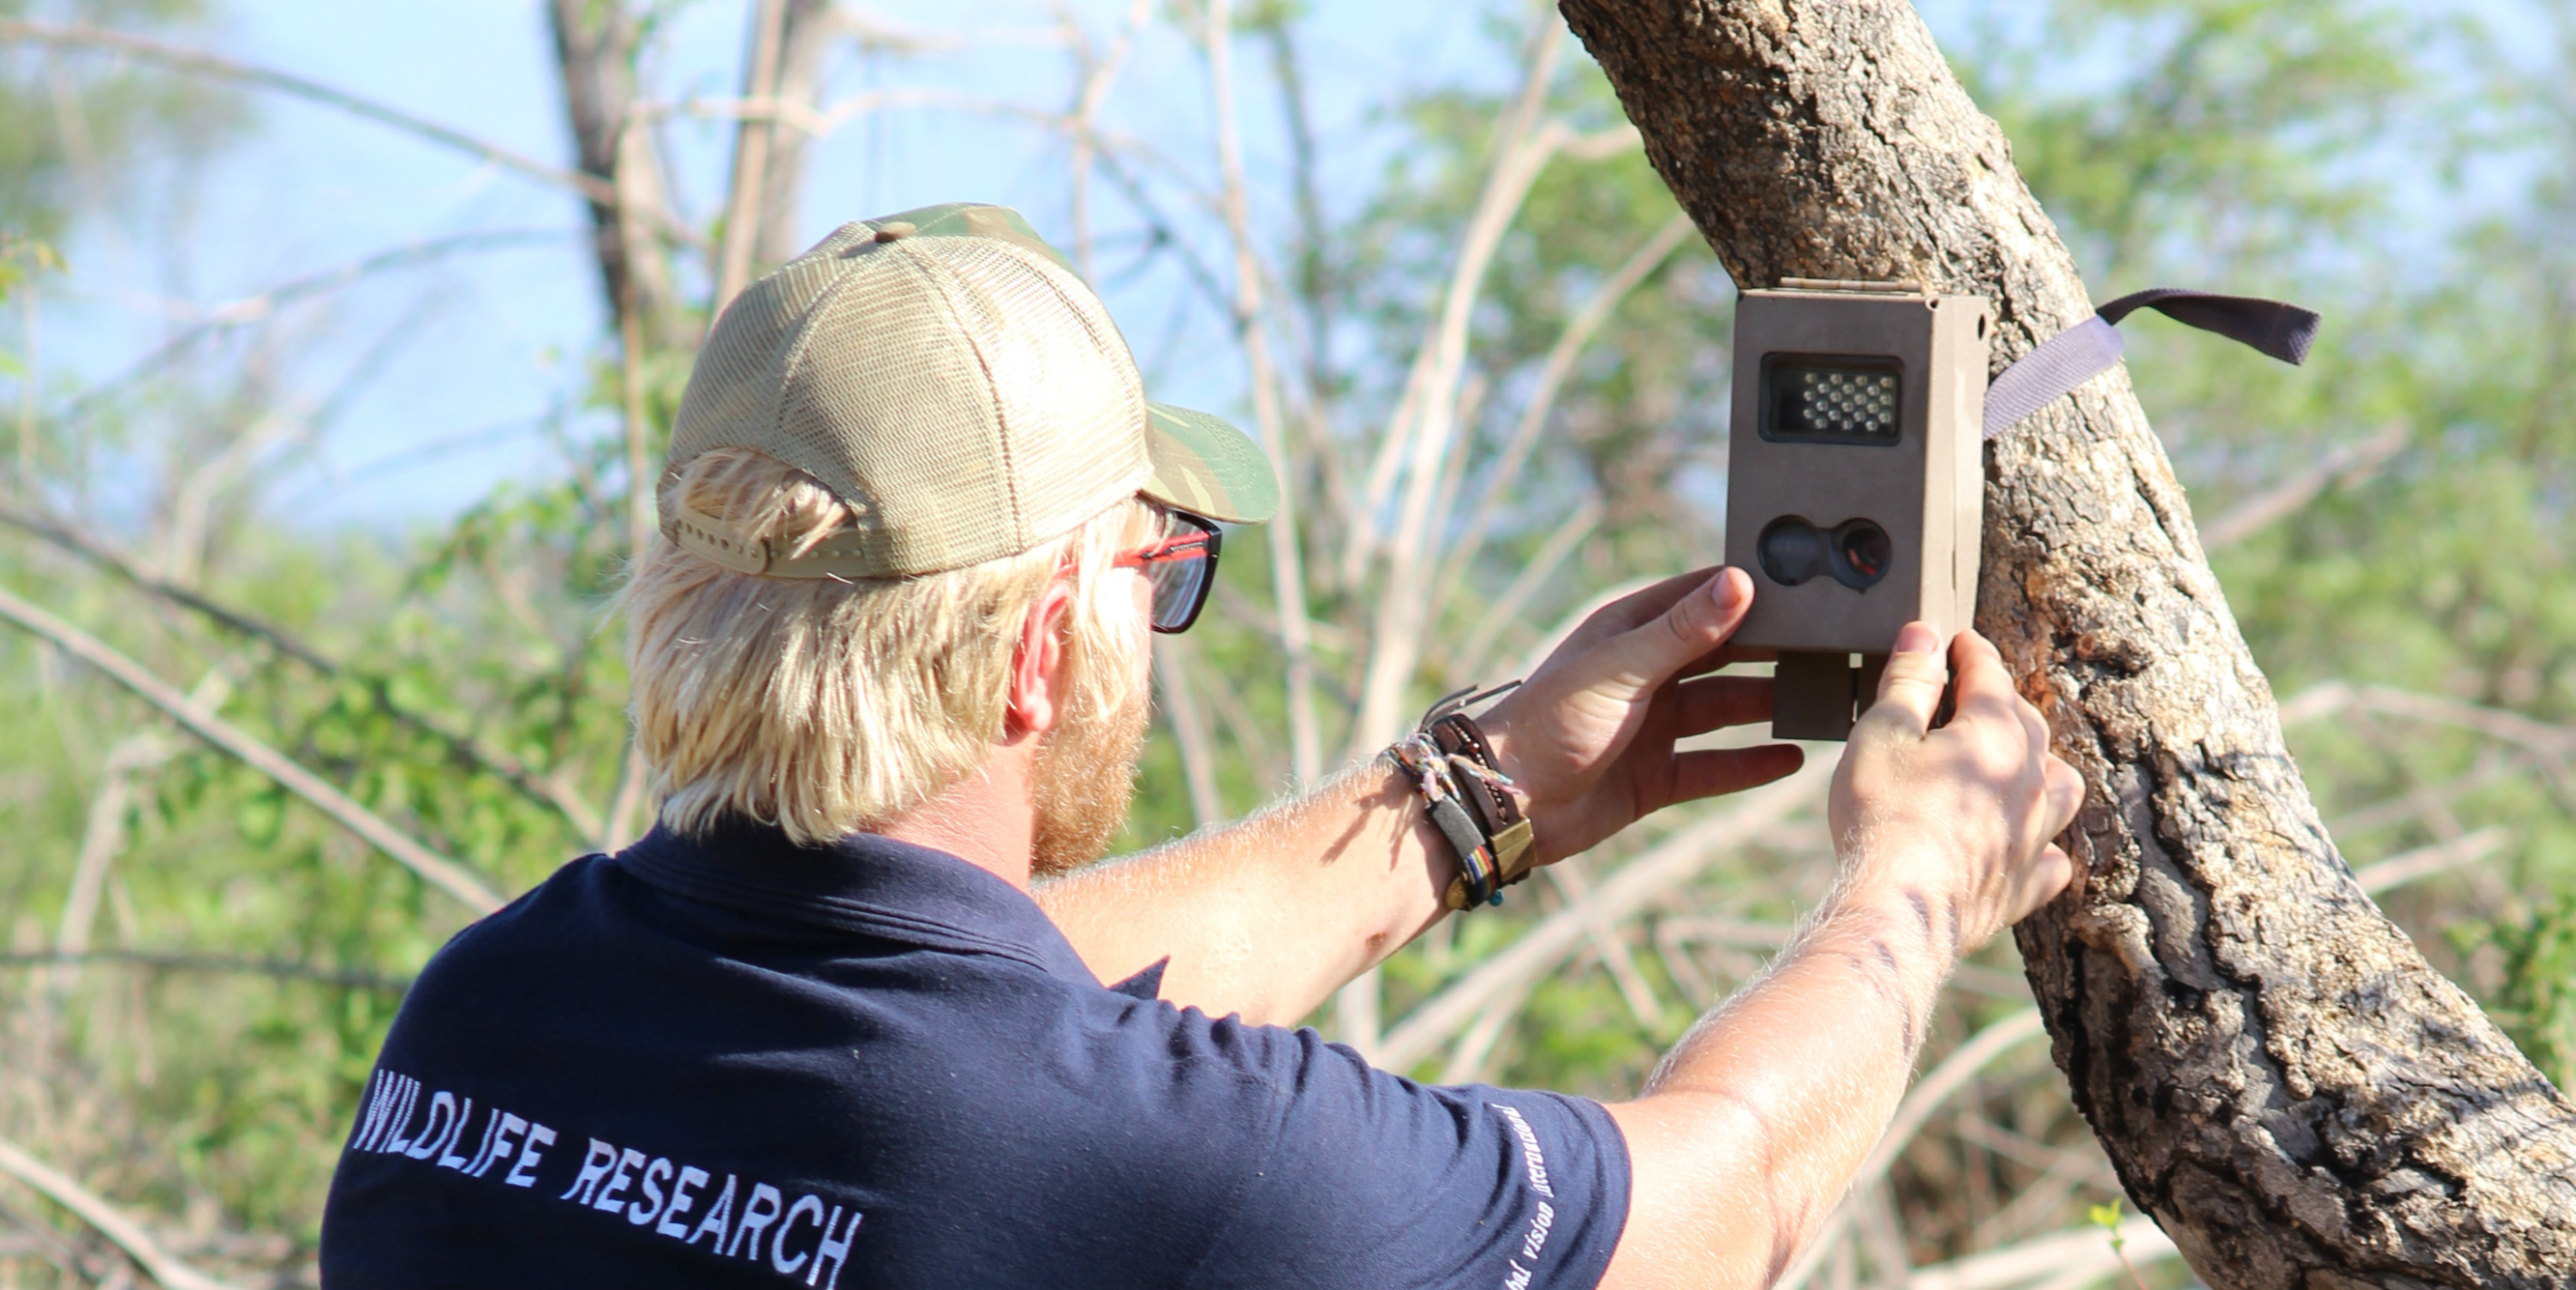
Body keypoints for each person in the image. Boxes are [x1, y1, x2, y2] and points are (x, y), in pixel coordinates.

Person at [317, 204, 2081, 1289]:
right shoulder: (1168, 1168)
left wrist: (1460, 804)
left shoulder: (493, 1013)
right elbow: (1730, 1201)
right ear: (1034, 654)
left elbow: (954, 1019)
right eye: (1154, 571)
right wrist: (1912, 887)